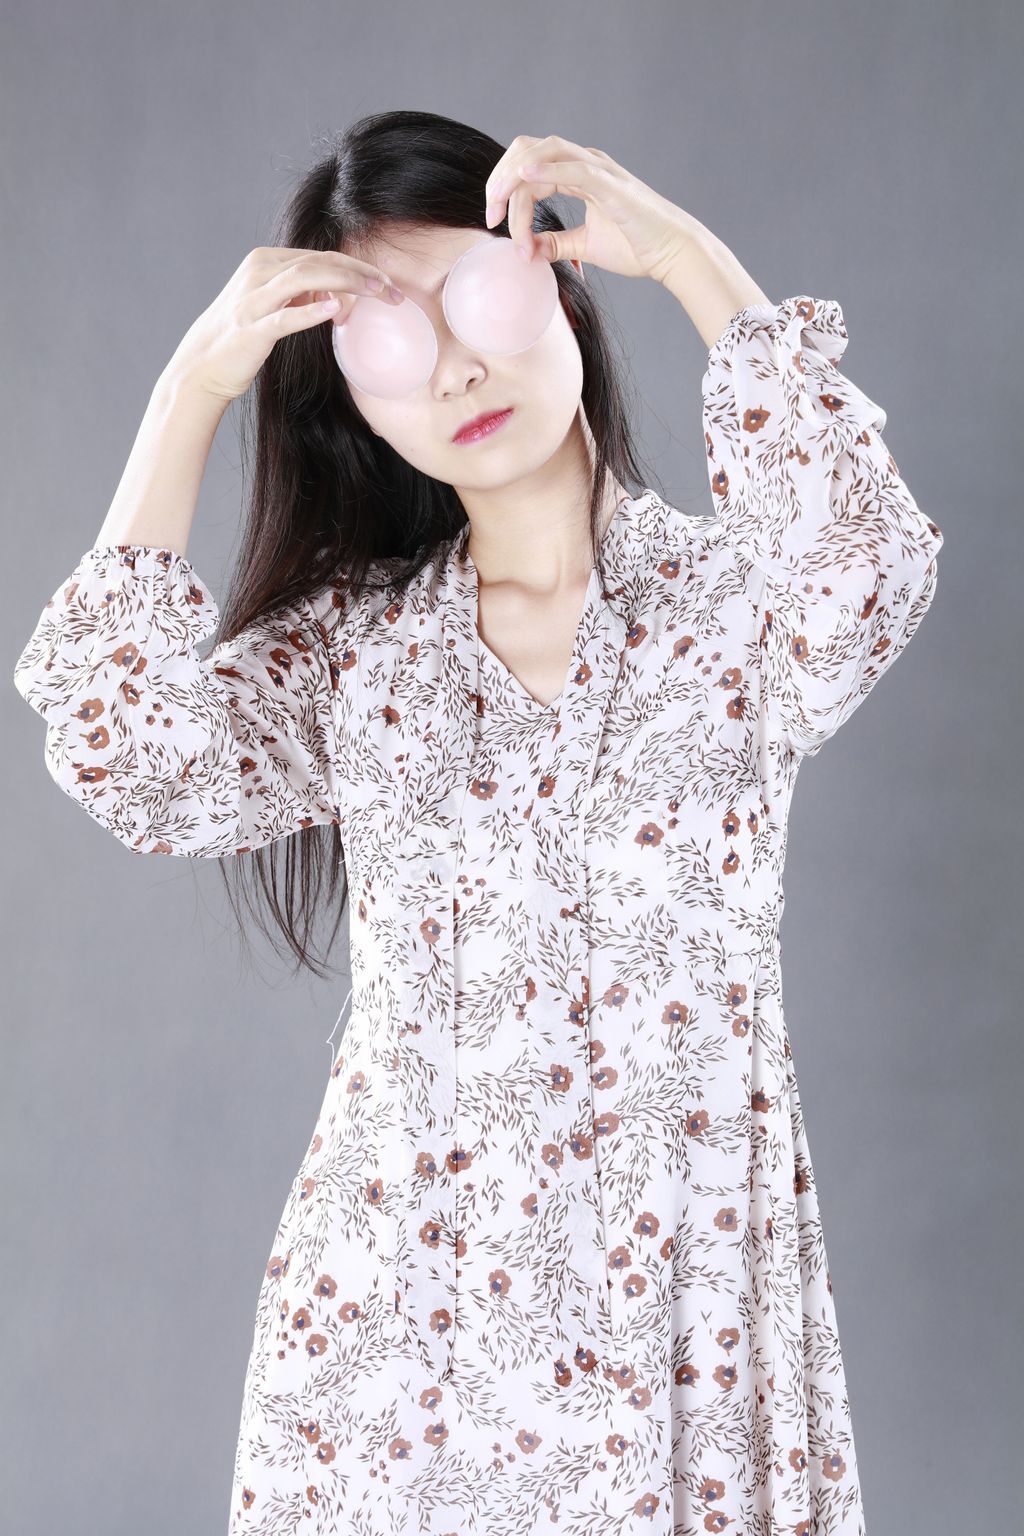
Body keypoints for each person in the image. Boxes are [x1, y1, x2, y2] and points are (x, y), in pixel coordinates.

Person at [13, 109, 943, 1535]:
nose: (452, 367)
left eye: (475, 296)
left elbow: (866, 563)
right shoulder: (356, 659)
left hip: (684, 1331)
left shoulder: (734, 618)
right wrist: (190, 390)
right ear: (360, 405)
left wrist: (686, 256)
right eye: (390, 343)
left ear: (558, 281)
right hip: (396, 1357)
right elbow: (124, 751)